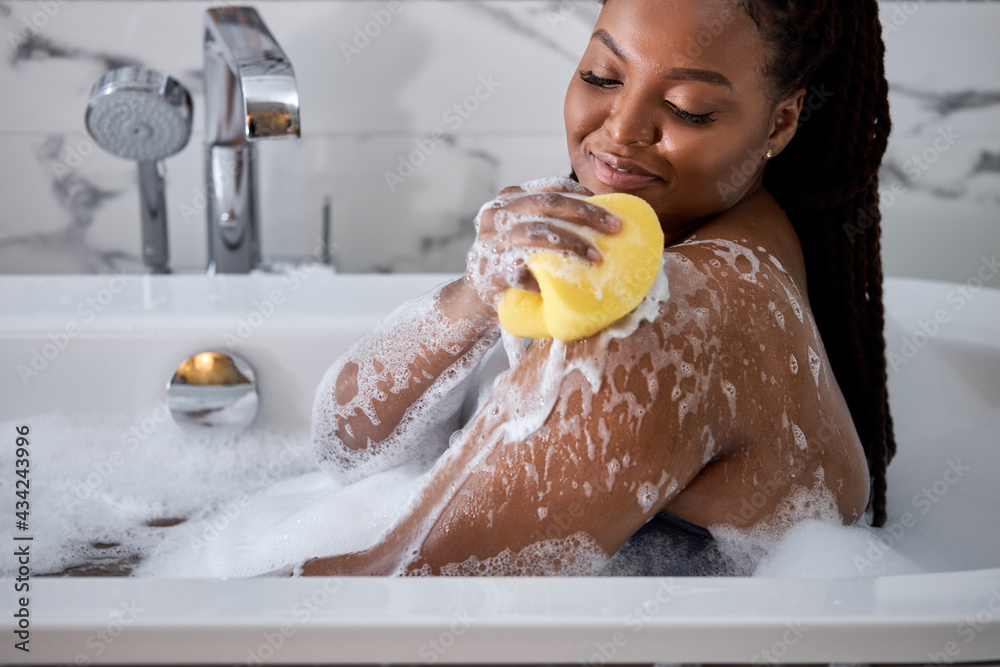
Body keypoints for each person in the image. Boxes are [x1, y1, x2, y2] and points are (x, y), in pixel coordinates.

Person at [299, 0, 894, 576]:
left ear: (783, 121)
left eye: (688, 109)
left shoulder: (680, 319)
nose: (621, 130)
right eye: (601, 76)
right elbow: (343, 447)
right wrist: (479, 296)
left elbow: (387, 600)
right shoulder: (642, 241)